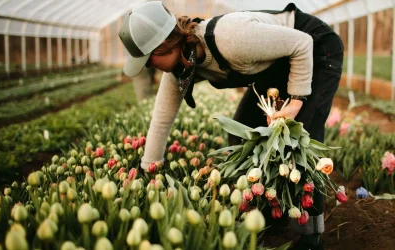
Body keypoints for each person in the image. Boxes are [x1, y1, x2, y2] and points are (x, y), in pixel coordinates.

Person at [118, 1, 343, 250]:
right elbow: (161, 120)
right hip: (278, 62)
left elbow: (302, 44)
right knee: (243, 130)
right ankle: (272, 210)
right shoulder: (181, 66)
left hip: (315, 47)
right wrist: (150, 170)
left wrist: (297, 101)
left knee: (299, 139)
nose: (149, 67)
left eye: (148, 60)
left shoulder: (231, 39)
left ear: (165, 45)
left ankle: (310, 236)